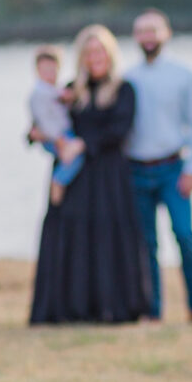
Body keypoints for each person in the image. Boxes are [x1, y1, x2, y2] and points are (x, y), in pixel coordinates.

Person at [28, 25, 150, 324]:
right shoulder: (70, 91)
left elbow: (119, 131)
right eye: (89, 52)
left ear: (110, 54)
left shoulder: (124, 90)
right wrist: (36, 134)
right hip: (75, 177)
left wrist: (83, 144)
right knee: (71, 236)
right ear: (81, 57)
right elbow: (48, 120)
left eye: (100, 52)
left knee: (108, 237)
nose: (95, 57)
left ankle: (112, 307)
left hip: (109, 177)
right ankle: (70, 307)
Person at [125, 9, 192, 329]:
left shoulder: (184, 74)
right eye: (141, 31)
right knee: (146, 244)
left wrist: (191, 169)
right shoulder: (128, 78)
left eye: (153, 30)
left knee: (185, 236)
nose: (147, 37)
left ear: (166, 33)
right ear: (136, 38)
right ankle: (153, 311)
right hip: (136, 172)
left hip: (173, 169)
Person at [26, 44, 85, 203]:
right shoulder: (40, 94)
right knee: (74, 157)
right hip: (56, 136)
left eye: (53, 70)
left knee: (74, 156)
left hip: (61, 133)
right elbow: (43, 122)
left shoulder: (55, 90)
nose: (50, 74)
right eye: (45, 71)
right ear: (37, 71)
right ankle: (58, 181)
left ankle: (59, 182)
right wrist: (58, 139)